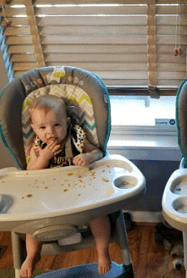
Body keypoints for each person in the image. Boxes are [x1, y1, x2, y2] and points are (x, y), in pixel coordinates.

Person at [20, 94, 110, 278]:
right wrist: (43, 158)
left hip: (80, 195)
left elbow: (99, 152)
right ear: (34, 129)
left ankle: (103, 252)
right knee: (31, 226)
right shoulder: (36, 148)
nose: (50, 132)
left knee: (98, 215)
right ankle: (33, 255)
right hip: (48, 200)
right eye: (42, 127)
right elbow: (30, 172)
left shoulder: (76, 138)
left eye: (56, 125)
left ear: (67, 122)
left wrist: (88, 157)